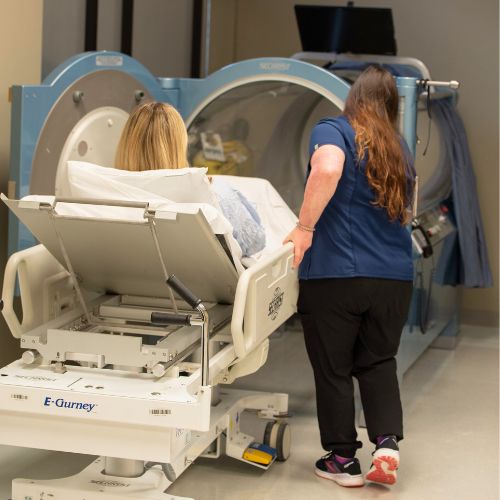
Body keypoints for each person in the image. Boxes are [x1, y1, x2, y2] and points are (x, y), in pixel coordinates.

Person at [285, 65, 415, 488]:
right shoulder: (398, 148)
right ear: (392, 106)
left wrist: (304, 228)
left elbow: (326, 168)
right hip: (393, 279)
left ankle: (342, 460)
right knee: (378, 361)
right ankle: (386, 444)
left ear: (352, 97)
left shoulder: (334, 129)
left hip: (336, 276)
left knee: (334, 369)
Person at [115, 101, 265, 258]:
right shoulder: (214, 194)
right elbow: (255, 242)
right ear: (179, 145)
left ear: (126, 143)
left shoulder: (107, 192)